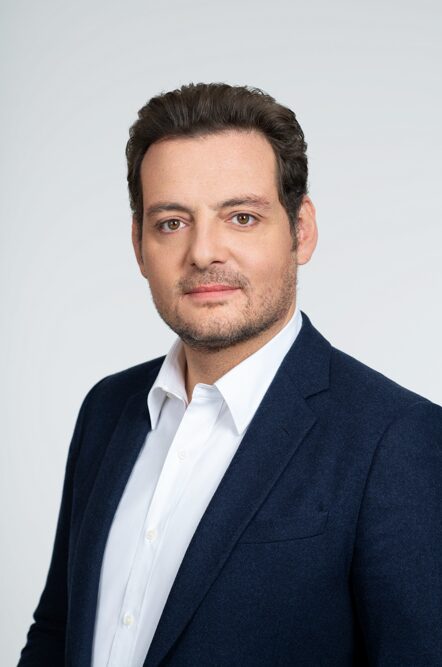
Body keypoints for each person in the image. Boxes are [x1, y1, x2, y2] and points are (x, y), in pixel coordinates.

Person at [19, 82, 442, 667]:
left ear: (301, 230)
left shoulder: (397, 439)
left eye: (241, 217)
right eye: (172, 222)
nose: (203, 252)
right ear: (138, 245)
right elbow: (57, 632)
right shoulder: (107, 409)